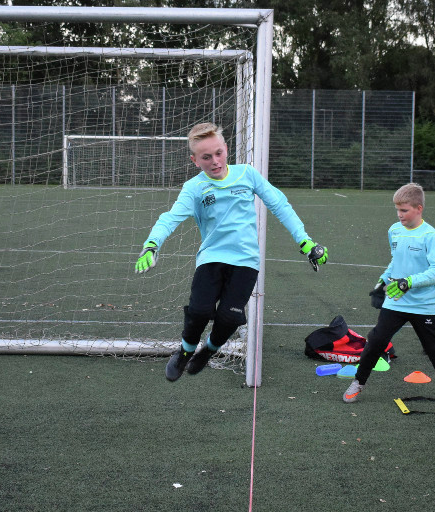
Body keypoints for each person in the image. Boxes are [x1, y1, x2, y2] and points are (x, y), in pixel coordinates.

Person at [135, 122, 328, 381]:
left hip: (246, 261)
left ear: (226, 149)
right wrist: (152, 244)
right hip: (211, 258)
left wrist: (305, 241)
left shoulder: (247, 174)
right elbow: (170, 218)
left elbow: (279, 204)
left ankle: (208, 350)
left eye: (218, 153)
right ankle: (185, 351)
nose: (215, 161)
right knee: (199, 311)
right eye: (206, 157)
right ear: (195, 161)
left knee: (229, 317)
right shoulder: (194, 187)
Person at [343, 182, 435, 404]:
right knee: (376, 340)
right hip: (396, 300)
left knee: (434, 348)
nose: (399, 214)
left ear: (419, 208)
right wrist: (382, 281)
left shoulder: (430, 235)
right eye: (397, 209)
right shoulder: (394, 231)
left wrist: (409, 282)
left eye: (404, 210)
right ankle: (358, 382)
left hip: (425, 304)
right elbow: (396, 261)